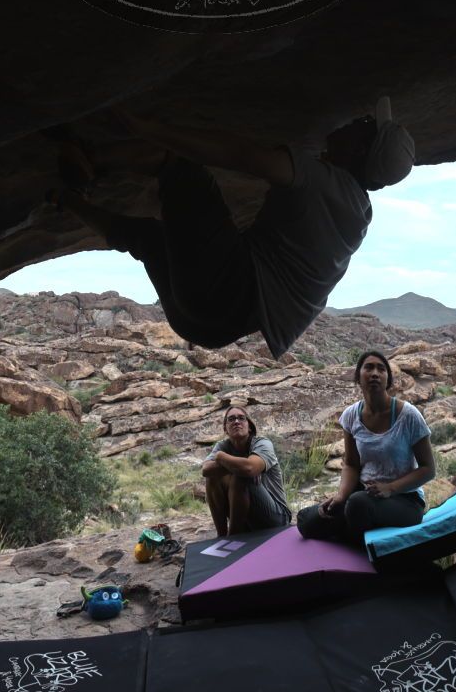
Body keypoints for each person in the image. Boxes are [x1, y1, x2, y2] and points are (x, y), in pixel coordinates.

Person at [46, 98, 414, 359]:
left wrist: (144, 127)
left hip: (225, 289)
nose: (357, 120)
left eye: (366, 126)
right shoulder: (360, 213)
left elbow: (241, 156)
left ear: (362, 150)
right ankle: (65, 198)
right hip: (210, 328)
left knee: (181, 168)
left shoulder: (323, 181)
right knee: (150, 238)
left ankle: (88, 160)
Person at [296, 351, 435, 546]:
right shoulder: (351, 415)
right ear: (358, 377)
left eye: (381, 369)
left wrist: (390, 488)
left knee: (357, 505)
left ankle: (353, 538)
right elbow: (351, 464)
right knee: (307, 520)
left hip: (404, 499)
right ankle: (353, 530)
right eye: (369, 367)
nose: (375, 373)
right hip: (364, 494)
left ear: (387, 379)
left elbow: (428, 469)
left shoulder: (408, 415)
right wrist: (341, 496)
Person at [201, 406, 291, 536]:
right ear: (225, 429)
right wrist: (237, 465)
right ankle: (221, 536)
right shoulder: (223, 446)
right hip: (247, 518)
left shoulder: (262, 443)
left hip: (277, 518)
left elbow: (249, 468)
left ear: (249, 427)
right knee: (213, 477)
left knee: (241, 476)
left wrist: (221, 457)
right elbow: (206, 470)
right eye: (231, 419)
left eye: (241, 418)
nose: (236, 421)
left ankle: (233, 537)